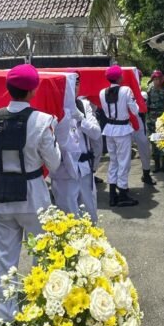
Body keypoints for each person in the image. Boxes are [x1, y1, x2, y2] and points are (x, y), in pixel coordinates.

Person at [0, 63, 62, 323]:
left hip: (2, 192)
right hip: (33, 194)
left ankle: (7, 319)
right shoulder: (43, 120)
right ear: (33, 90)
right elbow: (55, 163)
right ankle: (44, 314)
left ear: (8, 88)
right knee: (43, 256)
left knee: (5, 260)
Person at [51, 73, 102, 223]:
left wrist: (80, 118)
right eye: (70, 85)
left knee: (90, 213)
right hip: (63, 170)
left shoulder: (83, 105)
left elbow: (96, 133)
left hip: (84, 168)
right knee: (67, 216)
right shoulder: (53, 106)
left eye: (77, 84)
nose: (74, 88)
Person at [99, 65, 140, 207]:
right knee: (124, 162)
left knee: (113, 161)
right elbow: (135, 110)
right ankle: (122, 193)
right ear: (119, 77)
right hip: (122, 129)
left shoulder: (101, 92)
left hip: (109, 128)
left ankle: (112, 194)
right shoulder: (126, 90)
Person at [146, 70, 164, 174]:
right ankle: (157, 165)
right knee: (154, 143)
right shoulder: (150, 92)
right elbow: (147, 106)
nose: (156, 81)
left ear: (161, 80)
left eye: (158, 79)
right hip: (152, 121)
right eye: (154, 79)